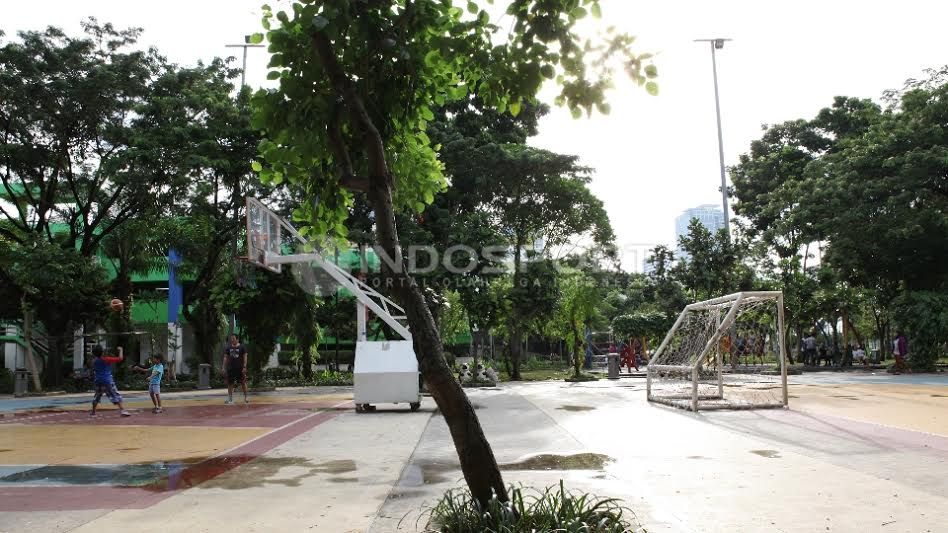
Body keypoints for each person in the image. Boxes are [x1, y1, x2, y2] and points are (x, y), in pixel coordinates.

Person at [90, 345, 131, 417]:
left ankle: (93, 412)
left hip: (98, 380)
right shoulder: (106, 359)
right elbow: (120, 358)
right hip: (107, 380)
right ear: (102, 352)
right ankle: (122, 410)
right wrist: (121, 350)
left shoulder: (94, 361)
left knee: (97, 396)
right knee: (115, 394)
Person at [222, 334, 249, 404]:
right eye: (231, 339)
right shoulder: (228, 348)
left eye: (233, 338)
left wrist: (244, 367)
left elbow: (245, 357)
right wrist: (223, 367)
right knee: (230, 384)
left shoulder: (242, 347)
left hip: (240, 368)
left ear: (237, 339)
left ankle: (246, 398)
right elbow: (225, 358)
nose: (232, 340)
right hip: (231, 368)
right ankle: (230, 399)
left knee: (243, 382)